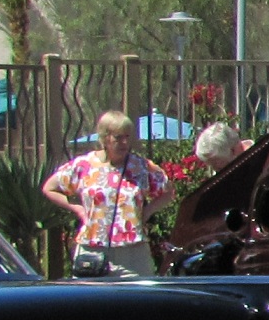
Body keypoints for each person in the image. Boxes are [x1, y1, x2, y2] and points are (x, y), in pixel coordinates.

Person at [42, 110, 174, 277]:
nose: (124, 142)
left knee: (140, 301)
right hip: (93, 249)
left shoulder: (141, 166)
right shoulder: (84, 165)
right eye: (118, 137)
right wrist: (77, 208)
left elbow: (168, 192)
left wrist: (146, 212)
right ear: (105, 138)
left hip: (132, 253)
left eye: (127, 137)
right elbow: (50, 187)